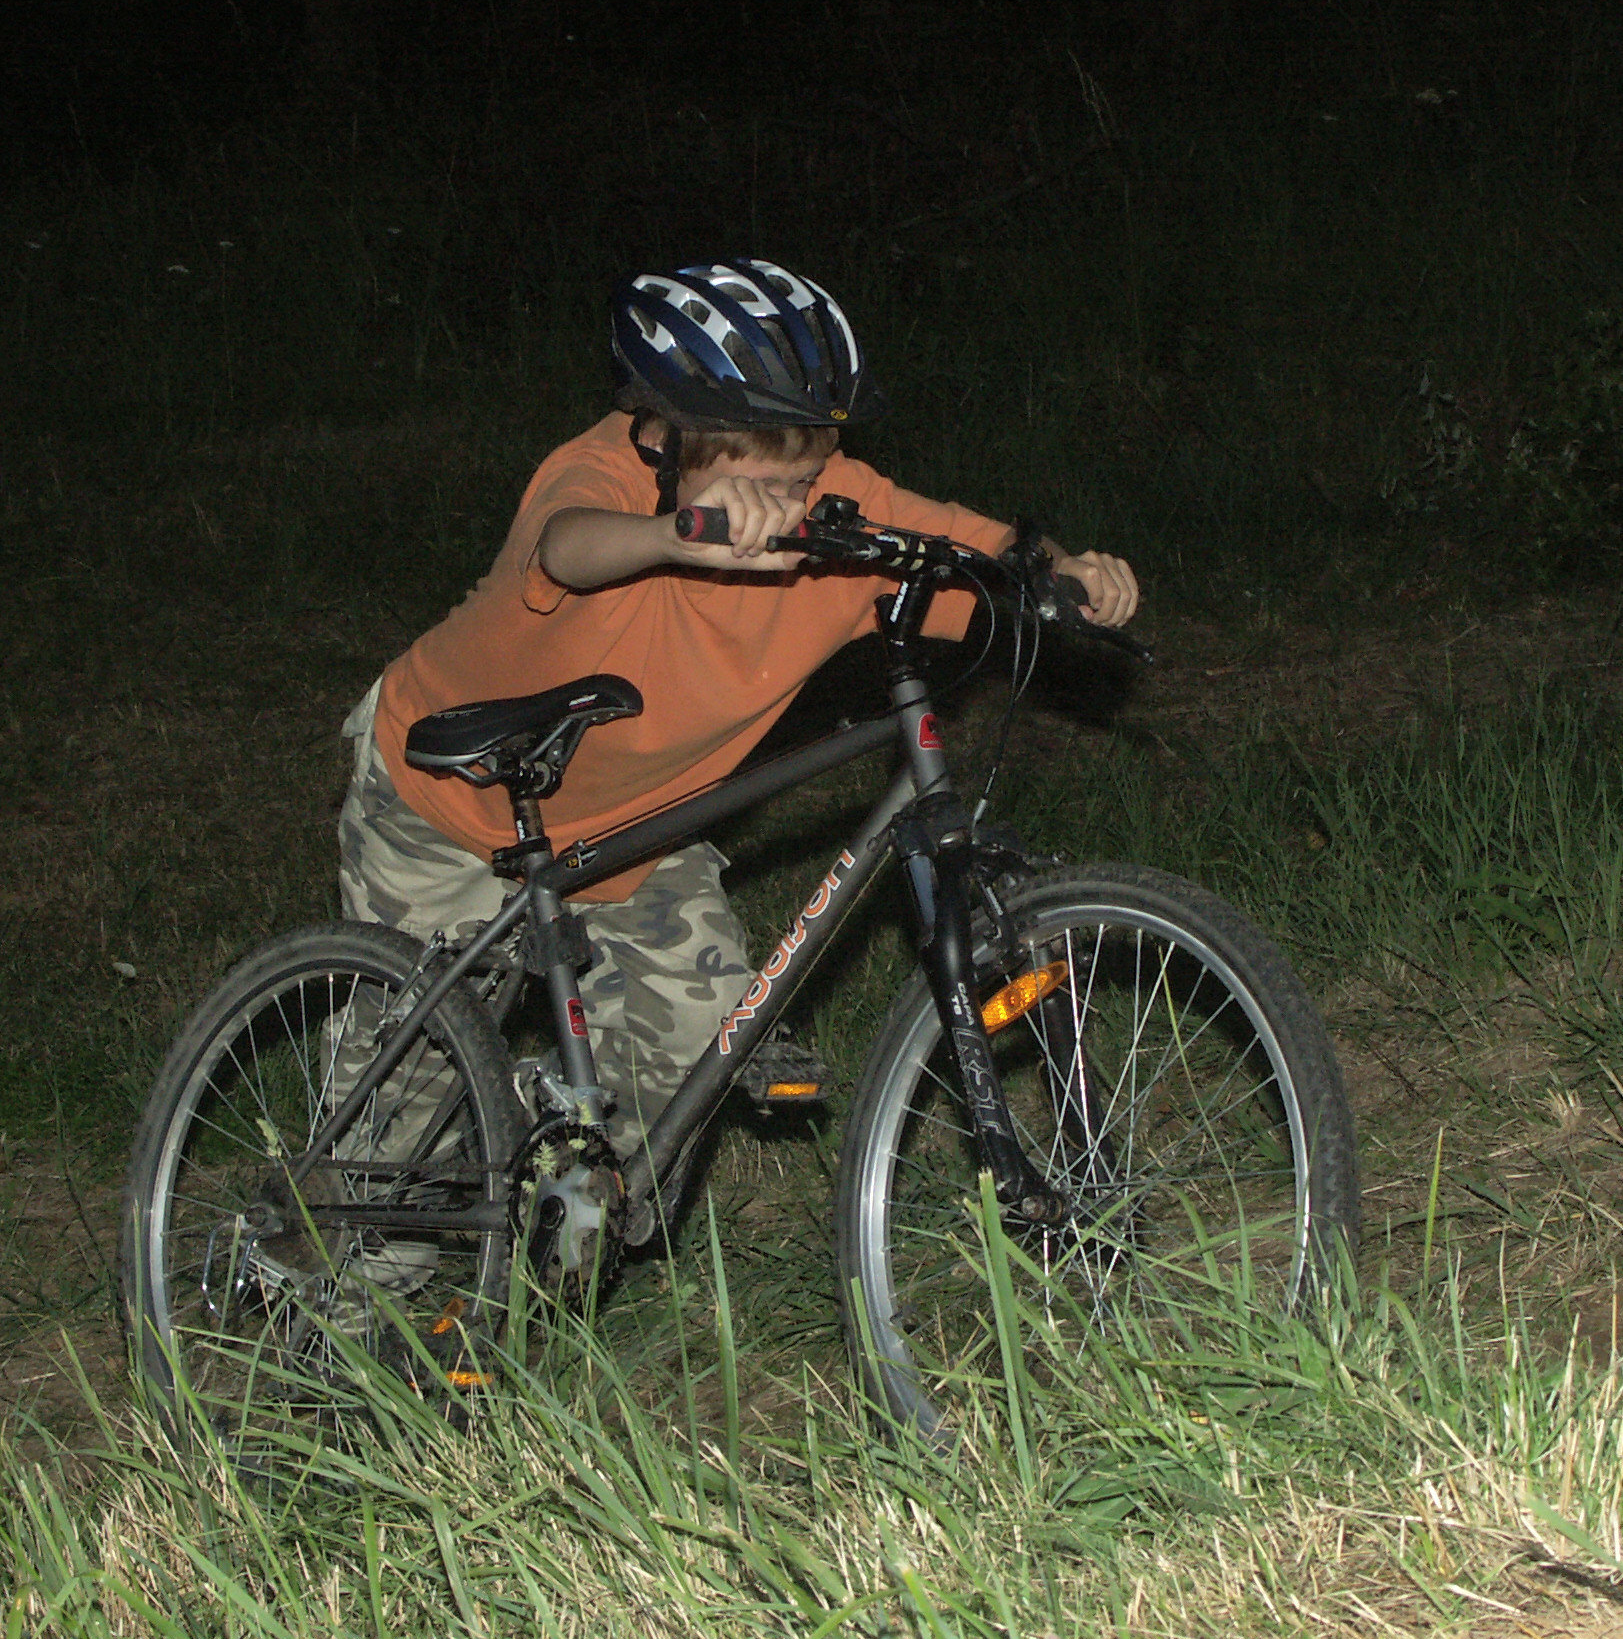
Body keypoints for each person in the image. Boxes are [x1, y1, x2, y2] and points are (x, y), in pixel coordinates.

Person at [337, 259, 1138, 1160]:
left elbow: (981, 547)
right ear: (665, 442)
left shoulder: (835, 510)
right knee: (400, 1109)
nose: (792, 503)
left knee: (691, 1064)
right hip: (450, 803)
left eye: (808, 468)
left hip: (637, 832)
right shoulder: (598, 474)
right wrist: (676, 533)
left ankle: (549, 1195)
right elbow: (567, 547)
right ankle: (344, 1236)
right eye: (764, 477)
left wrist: (1063, 573)